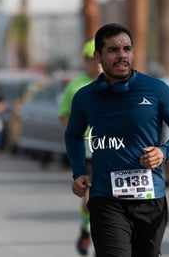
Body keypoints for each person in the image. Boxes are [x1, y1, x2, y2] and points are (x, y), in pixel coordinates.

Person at [65, 23, 169, 257]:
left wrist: (164, 152)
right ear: (98, 56)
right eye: (113, 50)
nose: (122, 55)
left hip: (150, 198)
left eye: (127, 48)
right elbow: (73, 135)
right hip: (106, 198)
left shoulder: (156, 90)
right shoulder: (85, 97)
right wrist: (78, 172)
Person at [58, 38, 102, 255]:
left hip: (110, 151)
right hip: (85, 152)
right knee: (88, 201)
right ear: (86, 61)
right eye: (92, 59)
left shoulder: (115, 83)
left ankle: (100, 235)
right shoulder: (75, 86)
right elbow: (63, 117)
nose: (97, 64)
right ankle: (87, 230)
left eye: (100, 58)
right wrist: (80, 126)